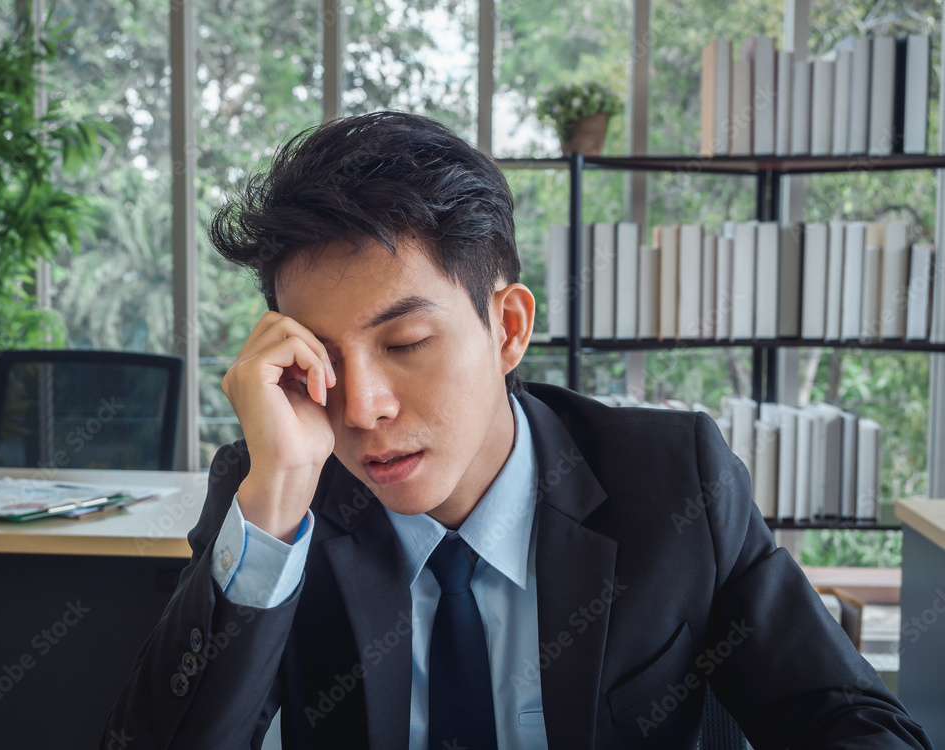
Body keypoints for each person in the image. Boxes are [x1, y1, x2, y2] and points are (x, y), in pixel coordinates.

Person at [103, 111, 933, 749]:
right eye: (323, 360)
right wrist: (279, 497)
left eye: (406, 344)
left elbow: (853, 720)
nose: (361, 409)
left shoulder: (675, 481)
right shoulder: (280, 492)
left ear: (507, 329)